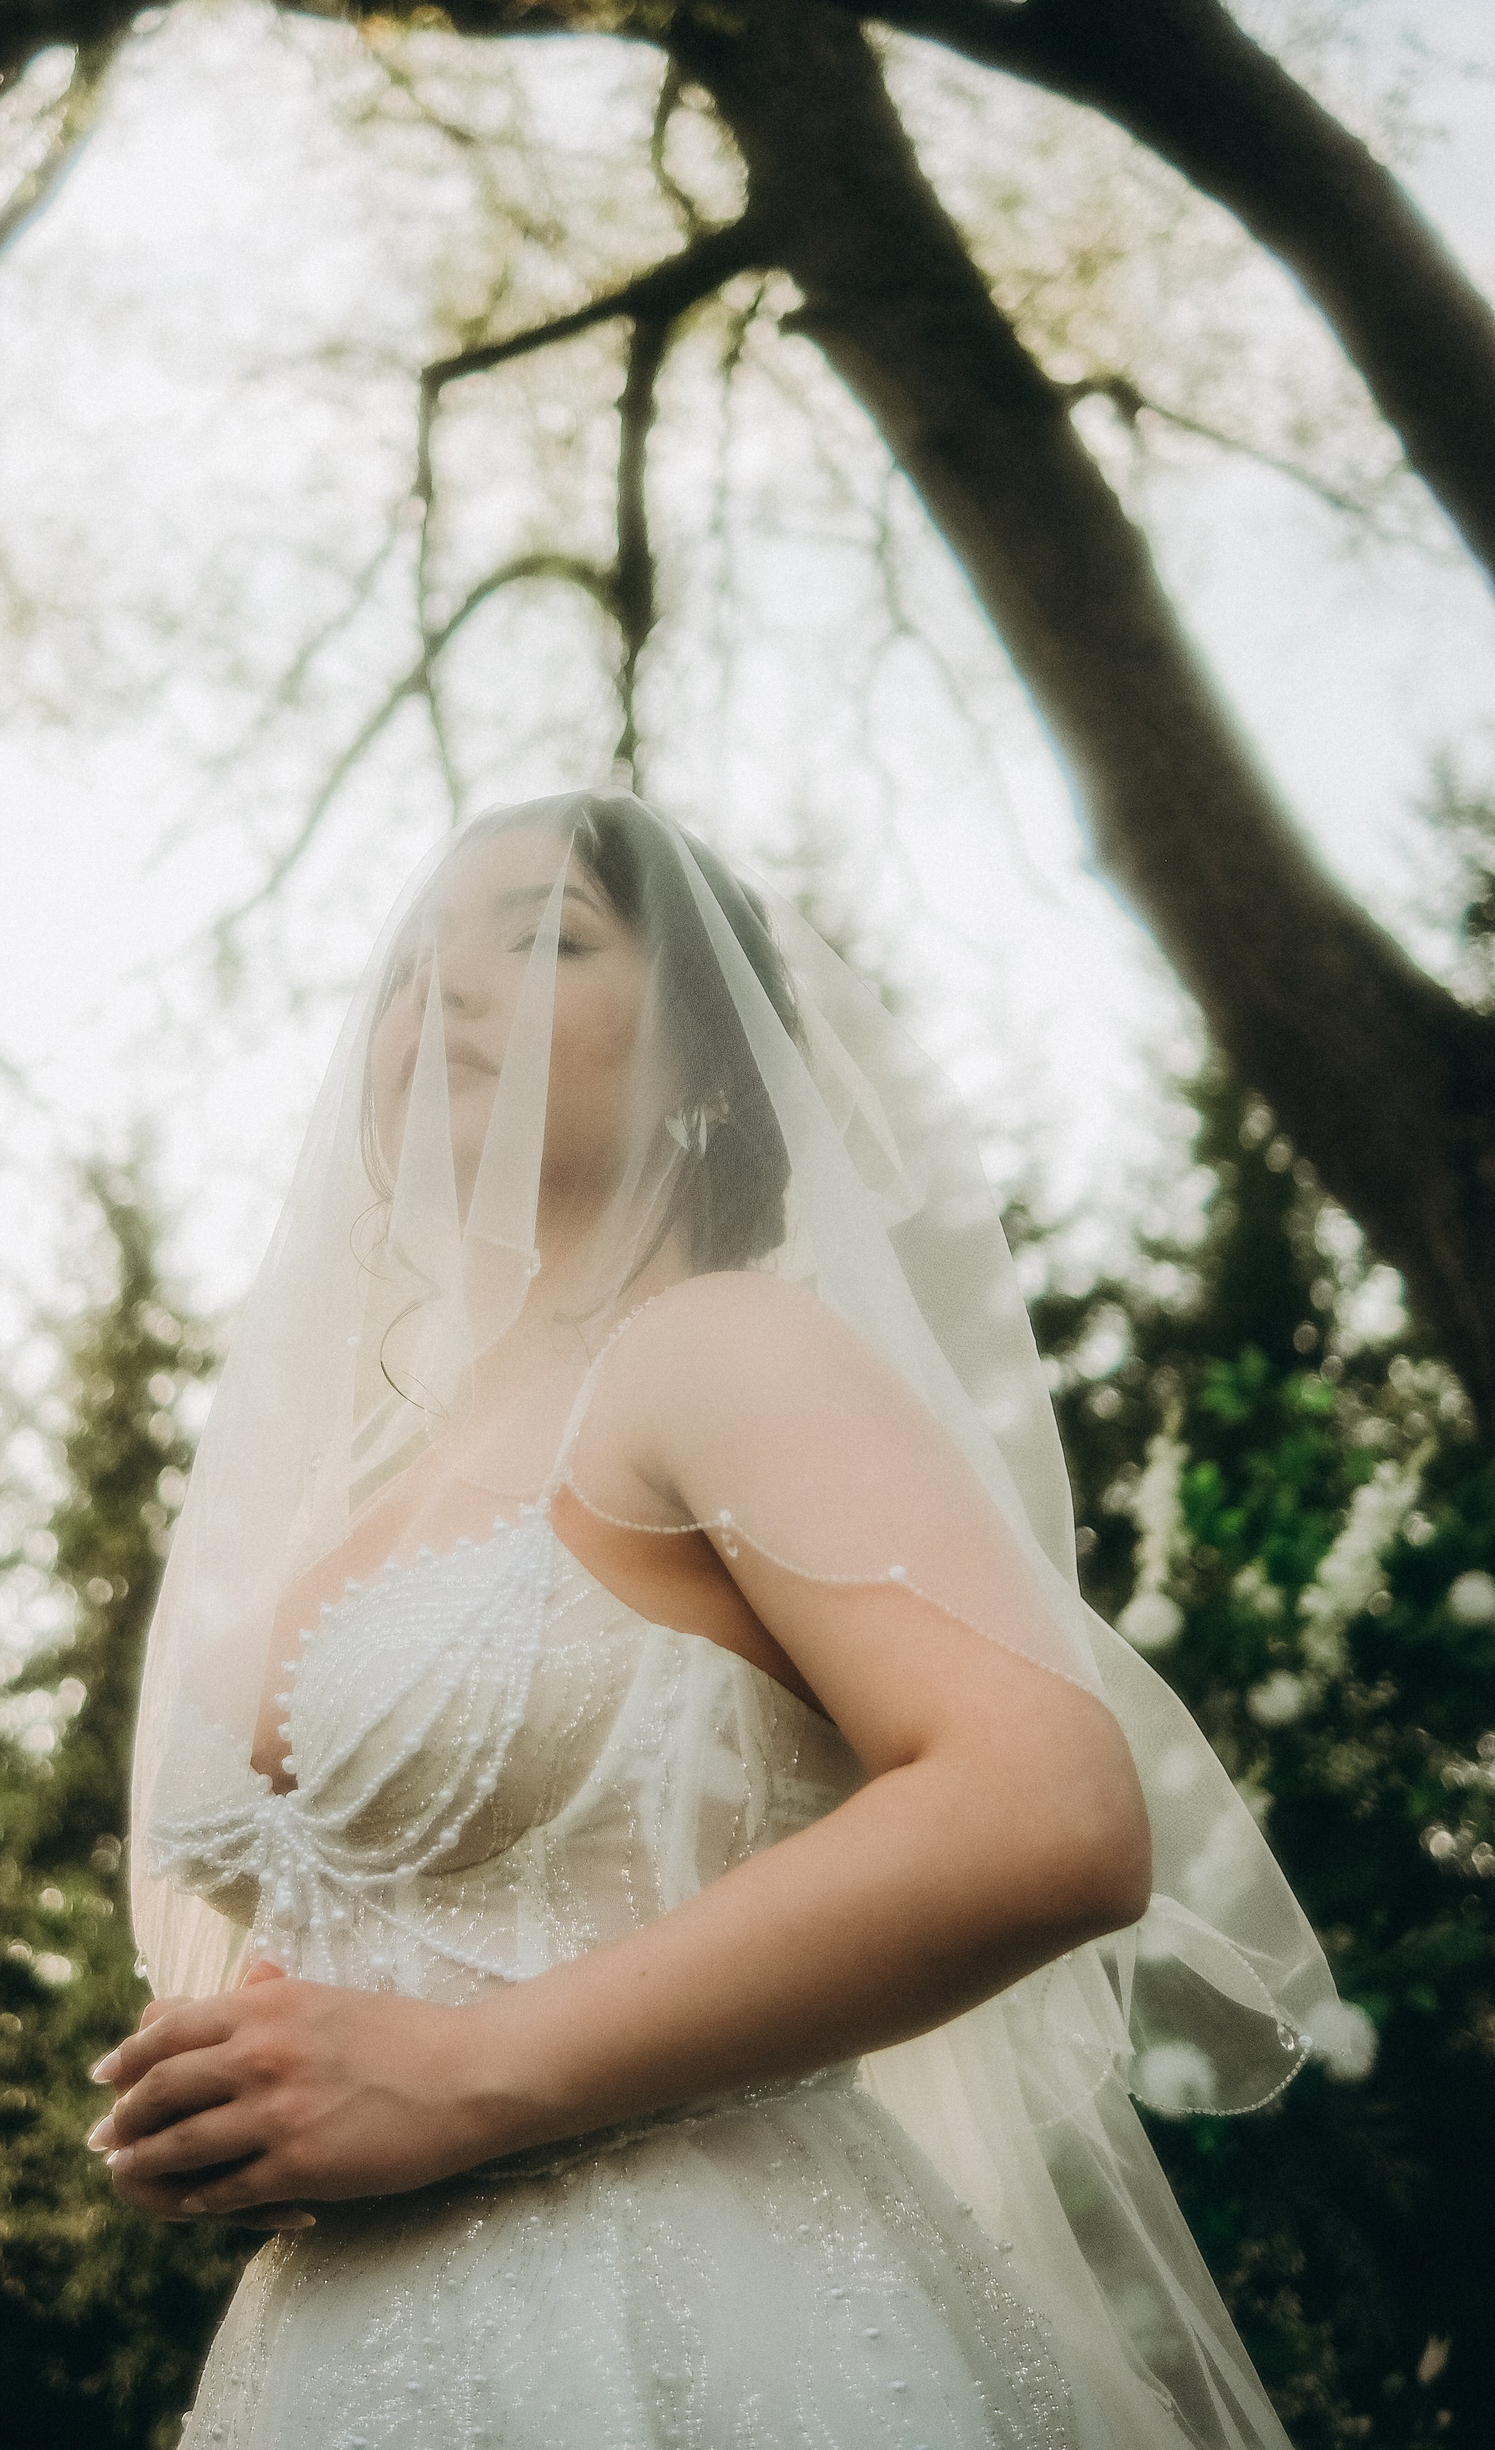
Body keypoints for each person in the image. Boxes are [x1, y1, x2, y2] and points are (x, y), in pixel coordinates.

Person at [92, 790, 1339, 2449]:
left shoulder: (717, 1348)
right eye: (409, 964)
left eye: (545, 938)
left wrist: (461, 2071)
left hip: (696, 2328)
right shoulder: (364, 1488)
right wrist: (255, 2092)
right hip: (338, 2364)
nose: (444, 988)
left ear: (713, 1067)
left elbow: (1048, 1811)